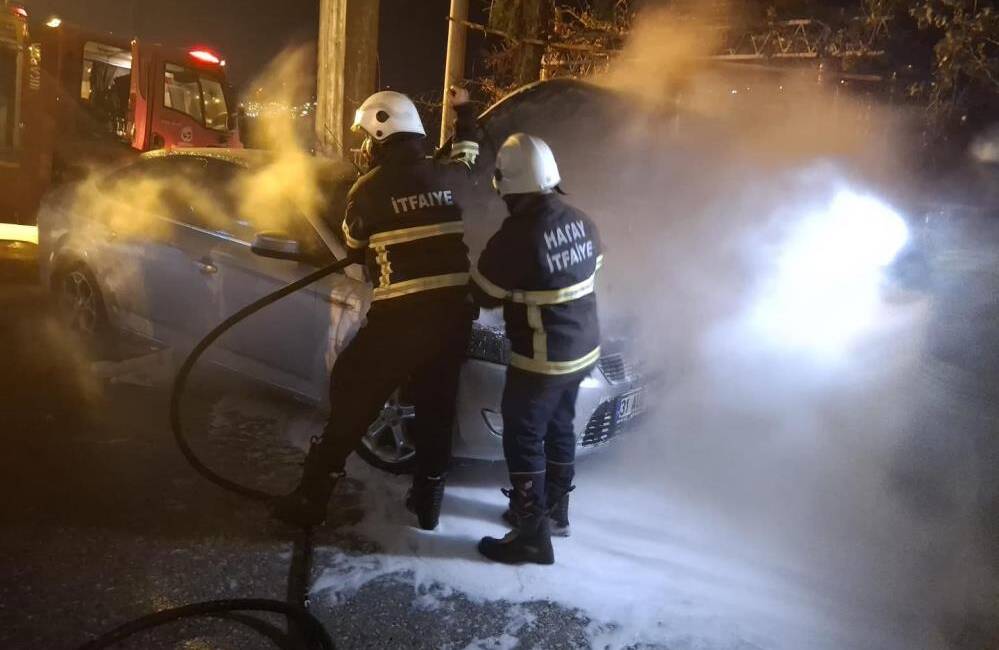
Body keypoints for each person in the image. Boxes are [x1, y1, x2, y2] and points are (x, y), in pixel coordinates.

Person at [271, 87, 480, 530]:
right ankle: (428, 501)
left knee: (351, 386)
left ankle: (312, 496)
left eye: (366, 138)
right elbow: (468, 155)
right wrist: (465, 111)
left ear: (382, 132)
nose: (363, 148)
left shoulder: (367, 189)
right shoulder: (449, 175)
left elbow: (353, 242)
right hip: (454, 316)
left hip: (403, 317)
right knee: (436, 406)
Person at [470, 133, 603, 565]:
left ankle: (531, 535)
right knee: (560, 426)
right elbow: (590, 265)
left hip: (543, 356)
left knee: (524, 434)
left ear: (507, 185)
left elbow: (484, 294)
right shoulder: (581, 219)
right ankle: (556, 514)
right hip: (584, 348)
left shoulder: (518, 236)